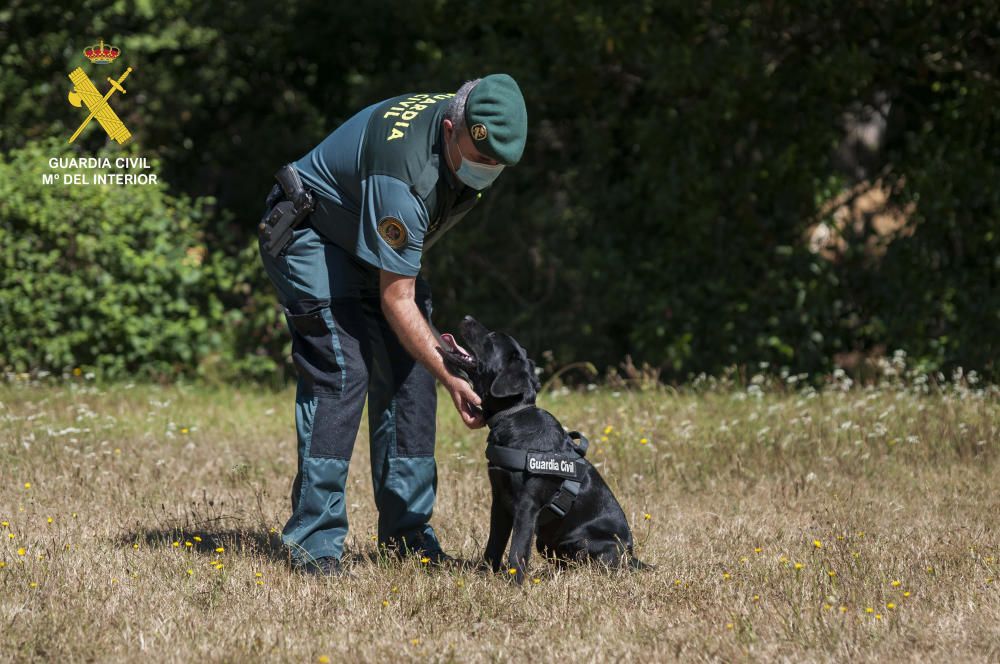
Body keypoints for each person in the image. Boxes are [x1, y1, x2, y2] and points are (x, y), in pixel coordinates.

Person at [257, 74, 528, 575]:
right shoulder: (405, 174)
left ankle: (407, 536)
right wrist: (454, 376)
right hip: (311, 231)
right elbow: (397, 297)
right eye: (481, 156)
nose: (487, 169)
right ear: (451, 128)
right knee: (342, 370)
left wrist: (435, 366)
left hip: (365, 233)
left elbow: (400, 281)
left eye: (497, 165)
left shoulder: (464, 148)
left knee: (413, 370)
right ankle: (314, 544)